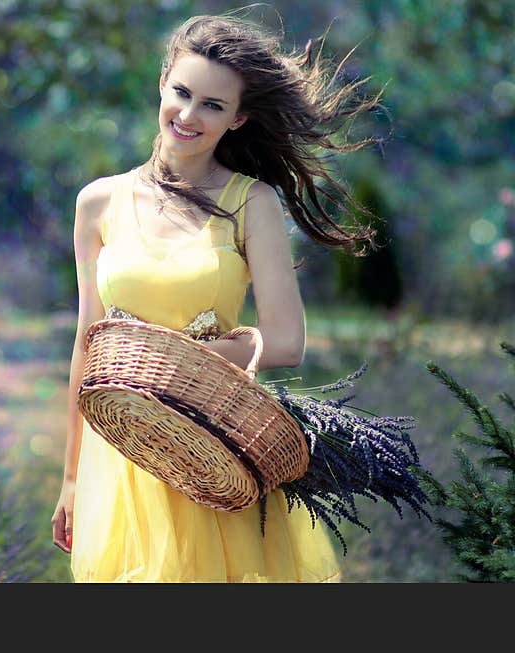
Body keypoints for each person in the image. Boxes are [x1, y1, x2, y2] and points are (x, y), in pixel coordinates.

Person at [51, 13, 384, 582]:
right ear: (161, 83)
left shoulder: (250, 202)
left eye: (212, 105)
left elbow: (286, 342)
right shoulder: (98, 203)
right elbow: (88, 343)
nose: (188, 115)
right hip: (123, 454)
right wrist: (73, 478)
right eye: (181, 93)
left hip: (213, 447)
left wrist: (174, 364)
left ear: (238, 119)